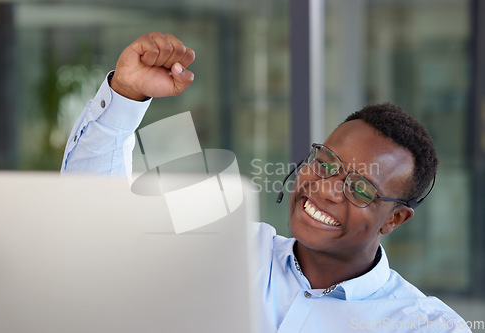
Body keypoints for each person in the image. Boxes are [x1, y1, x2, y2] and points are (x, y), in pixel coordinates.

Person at [61, 32, 471, 332]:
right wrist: (125, 97)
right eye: (326, 162)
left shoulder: (424, 326)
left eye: (360, 188)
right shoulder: (225, 247)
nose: (326, 188)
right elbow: (101, 227)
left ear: (394, 219)